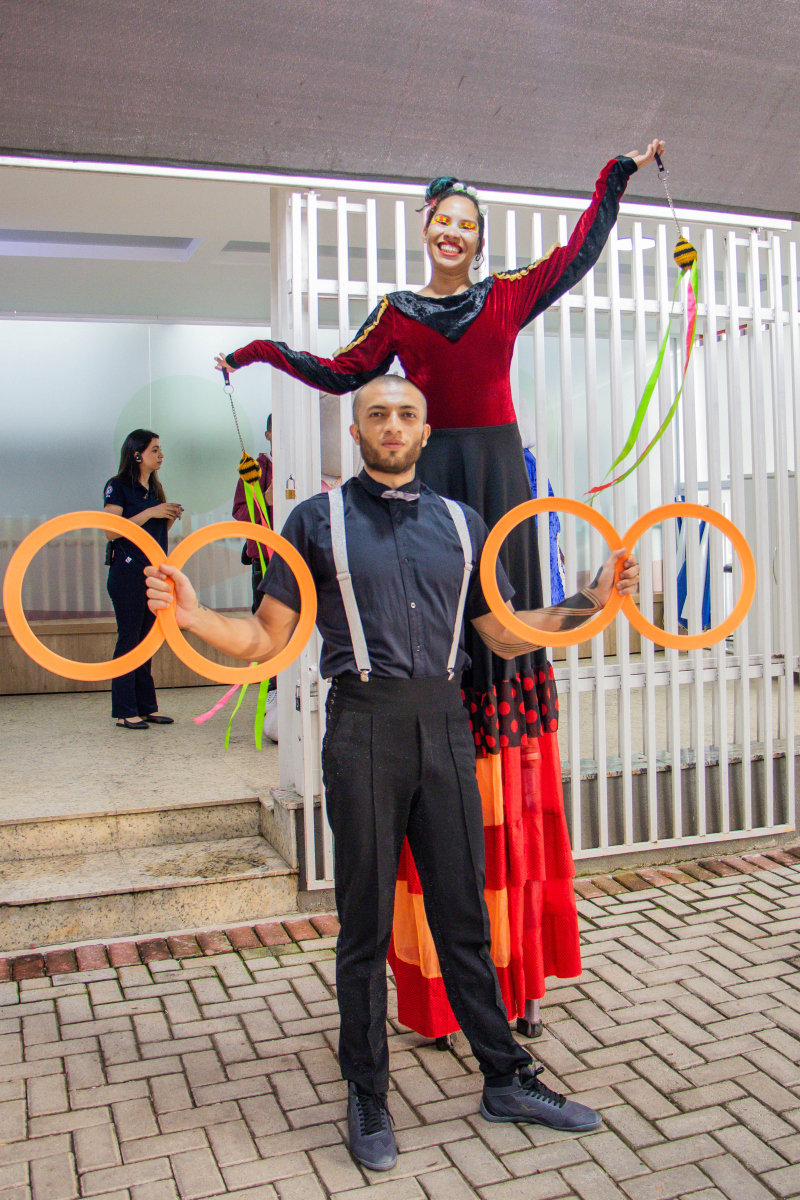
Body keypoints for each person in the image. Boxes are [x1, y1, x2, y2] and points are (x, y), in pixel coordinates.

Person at [214, 140, 664, 1039]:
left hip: (497, 479)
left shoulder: (509, 295)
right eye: (441, 221)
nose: (453, 233)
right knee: (431, 638)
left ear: (478, 236)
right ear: (426, 231)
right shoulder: (396, 313)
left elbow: (580, 251)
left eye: (466, 223)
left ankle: (510, 978)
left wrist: (615, 173)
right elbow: (341, 373)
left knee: (504, 629)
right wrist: (262, 351)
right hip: (434, 482)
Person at [145, 376, 640, 1171]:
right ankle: (368, 1093)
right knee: (364, 926)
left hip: (446, 724)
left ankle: (505, 1078)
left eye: (407, 414)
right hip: (363, 727)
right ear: (357, 431)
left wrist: (591, 598)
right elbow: (265, 639)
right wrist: (192, 614)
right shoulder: (315, 522)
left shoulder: (463, 523)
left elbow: (505, 635)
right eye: (377, 414)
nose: (393, 425)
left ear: (425, 430)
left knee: (463, 916)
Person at [103, 429, 183, 730]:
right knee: (129, 639)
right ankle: (125, 710)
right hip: (127, 573)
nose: (161, 455)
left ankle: (146, 707)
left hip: (153, 574)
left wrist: (168, 515)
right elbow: (111, 531)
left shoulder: (154, 489)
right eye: (154, 450)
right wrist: (151, 512)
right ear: (137, 455)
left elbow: (153, 534)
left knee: (147, 640)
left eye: (160, 449)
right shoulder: (118, 486)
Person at [232, 413, 274, 613]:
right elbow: (239, 514)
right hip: (264, 558)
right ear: (268, 435)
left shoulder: (305, 468)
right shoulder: (254, 470)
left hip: (298, 555)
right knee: (263, 617)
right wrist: (264, 501)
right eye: (277, 430)